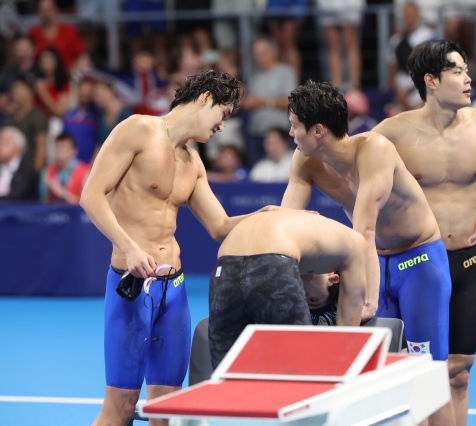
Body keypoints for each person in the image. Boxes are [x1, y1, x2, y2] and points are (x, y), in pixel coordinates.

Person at [372, 40, 476, 426]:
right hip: (416, 264)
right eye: (458, 71)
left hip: (465, 260)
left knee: (459, 372)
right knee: (417, 373)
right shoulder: (392, 133)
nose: (469, 80)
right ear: (431, 80)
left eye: (467, 70)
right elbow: (357, 185)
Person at [80, 70, 258, 426]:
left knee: (167, 412)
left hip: (173, 293)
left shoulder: (194, 163)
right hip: (131, 289)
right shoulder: (138, 130)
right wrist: (128, 247)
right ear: (205, 99)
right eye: (222, 115)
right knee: (121, 407)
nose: (221, 127)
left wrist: (272, 216)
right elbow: (90, 195)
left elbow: (220, 227)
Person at [281, 80, 455, 425]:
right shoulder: (305, 162)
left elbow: (364, 230)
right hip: (375, 260)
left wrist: (366, 298)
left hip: (419, 263)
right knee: (385, 376)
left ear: (318, 130)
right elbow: (287, 227)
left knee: (428, 372)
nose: (290, 133)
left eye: (294, 125)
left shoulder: (375, 148)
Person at [210, 209, 367, 369]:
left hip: (225, 265)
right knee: (296, 373)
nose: (305, 298)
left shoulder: (307, 230)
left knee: (227, 375)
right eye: (313, 299)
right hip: (274, 261)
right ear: (334, 279)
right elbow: (347, 338)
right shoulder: (357, 244)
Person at [243, 37, 298, 165]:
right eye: (256, 54)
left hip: (280, 135)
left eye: (263, 52)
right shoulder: (253, 77)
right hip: (256, 135)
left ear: (273, 52)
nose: (259, 57)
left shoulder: (286, 72)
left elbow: (291, 102)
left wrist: (262, 102)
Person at [386, 2, 435, 113]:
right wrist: (399, 93)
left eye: (411, 15)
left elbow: (431, 68)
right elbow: (391, 69)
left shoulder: (428, 36)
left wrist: (410, 92)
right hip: (401, 91)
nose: (409, 18)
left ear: (418, 15)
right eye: (406, 15)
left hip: (422, 89)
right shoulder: (395, 40)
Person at [1, 78, 49, 171]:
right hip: (6, 167)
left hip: (26, 169)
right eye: (14, 89)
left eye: (19, 89)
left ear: (30, 93)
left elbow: (41, 152)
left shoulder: (38, 117)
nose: (15, 92)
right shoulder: (9, 117)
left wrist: (33, 175)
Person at [317, 0, 363, 89]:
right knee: (332, 47)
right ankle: (336, 85)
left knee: (350, 44)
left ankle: (355, 85)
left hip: (348, 4)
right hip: (328, 4)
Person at [28, 0, 85, 71]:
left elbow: (81, 56)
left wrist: (70, 72)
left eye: (49, 10)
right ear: (38, 12)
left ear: (56, 10)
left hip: (67, 75)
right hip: (41, 77)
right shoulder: (33, 33)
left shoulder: (70, 31)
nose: (46, 14)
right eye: (43, 10)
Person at [40, 133, 89, 203]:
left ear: (74, 151)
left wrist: (62, 193)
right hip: (53, 213)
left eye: (63, 148)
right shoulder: (47, 171)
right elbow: (42, 202)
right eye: (57, 147)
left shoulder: (85, 172)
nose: (59, 153)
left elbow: (87, 204)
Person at [62, 78, 99, 164]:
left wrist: (93, 163)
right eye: (81, 90)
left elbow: (100, 142)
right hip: (69, 166)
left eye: (88, 91)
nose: (84, 93)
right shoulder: (69, 114)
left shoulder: (98, 115)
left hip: (89, 165)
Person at [0, 126, 38, 201]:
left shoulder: (26, 167)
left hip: (20, 210)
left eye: (4, 143)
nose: (0, 147)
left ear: (18, 148)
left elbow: (17, 196)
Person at [93, 80, 132, 147]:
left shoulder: (126, 115)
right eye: (96, 97)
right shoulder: (100, 117)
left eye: (101, 95)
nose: (98, 99)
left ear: (112, 92)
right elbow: (100, 144)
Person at [34, 48, 70, 118]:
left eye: (49, 62)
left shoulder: (63, 84)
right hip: (37, 120)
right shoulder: (36, 82)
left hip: (54, 121)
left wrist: (42, 93)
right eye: (43, 62)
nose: (45, 66)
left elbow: (60, 112)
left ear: (57, 63)